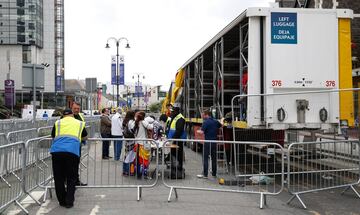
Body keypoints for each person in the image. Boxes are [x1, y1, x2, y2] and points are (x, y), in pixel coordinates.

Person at [50, 109, 87, 208]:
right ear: (72, 115)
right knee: (71, 177)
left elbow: (53, 136)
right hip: (72, 152)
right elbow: (85, 136)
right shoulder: (79, 123)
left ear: (63, 115)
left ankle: (61, 201)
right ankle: (69, 201)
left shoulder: (57, 123)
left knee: (58, 177)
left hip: (57, 152)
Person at [197, 109, 222, 179]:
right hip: (214, 142)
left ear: (206, 114)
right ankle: (214, 174)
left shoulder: (206, 122)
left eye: (203, 115)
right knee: (214, 158)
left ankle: (205, 174)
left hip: (207, 142)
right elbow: (221, 126)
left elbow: (201, 132)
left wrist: (198, 131)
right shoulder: (215, 121)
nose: (202, 116)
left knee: (205, 158)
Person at [167, 103, 186, 177]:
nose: (171, 112)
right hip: (174, 141)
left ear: (176, 111)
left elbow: (179, 131)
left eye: (173, 111)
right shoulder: (175, 117)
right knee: (174, 156)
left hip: (177, 141)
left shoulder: (180, 118)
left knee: (177, 157)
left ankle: (177, 173)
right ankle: (174, 172)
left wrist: (173, 140)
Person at [71, 101, 88, 186]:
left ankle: (76, 181)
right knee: (70, 164)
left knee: (76, 163)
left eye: (78, 108)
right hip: (69, 144)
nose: (76, 110)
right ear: (71, 108)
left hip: (78, 143)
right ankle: (69, 182)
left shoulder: (80, 116)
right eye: (75, 108)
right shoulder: (68, 116)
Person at [133, 111, 153, 178]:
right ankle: (143, 173)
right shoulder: (143, 122)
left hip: (137, 143)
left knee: (138, 159)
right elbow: (150, 127)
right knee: (144, 159)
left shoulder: (136, 122)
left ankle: (138, 173)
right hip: (142, 143)